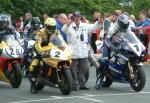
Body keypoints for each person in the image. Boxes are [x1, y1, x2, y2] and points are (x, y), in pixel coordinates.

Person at [62, 11, 103, 91]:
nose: (77, 18)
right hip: (72, 51)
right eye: (75, 17)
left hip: (83, 51)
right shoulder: (69, 26)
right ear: (73, 17)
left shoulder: (84, 25)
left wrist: (98, 22)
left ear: (80, 17)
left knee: (83, 69)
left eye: (78, 17)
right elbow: (64, 29)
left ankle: (82, 84)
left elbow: (93, 28)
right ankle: (74, 84)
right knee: (72, 69)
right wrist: (69, 22)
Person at [95, 14, 134, 89]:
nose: (125, 25)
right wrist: (114, 47)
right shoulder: (113, 28)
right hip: (108, 43)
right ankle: (99, 80)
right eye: (124, 24)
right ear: (120, 23)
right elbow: (107, 39)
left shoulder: (127, 27)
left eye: (127, 24)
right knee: (105, 60)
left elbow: (131, 36)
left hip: (120, 43)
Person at [28, 18, 62, 88]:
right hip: (39, 48)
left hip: (49, 47)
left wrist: (63, 46)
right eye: (50, 27)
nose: (52, 29)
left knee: (56, 59)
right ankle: (33, 78)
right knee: (36, 60)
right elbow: (37, 44)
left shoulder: (56, 31)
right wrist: (41, 52)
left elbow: (61, 40)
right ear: (45, 26)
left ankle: (54, 77)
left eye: (53, 27)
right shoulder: (40, 32)